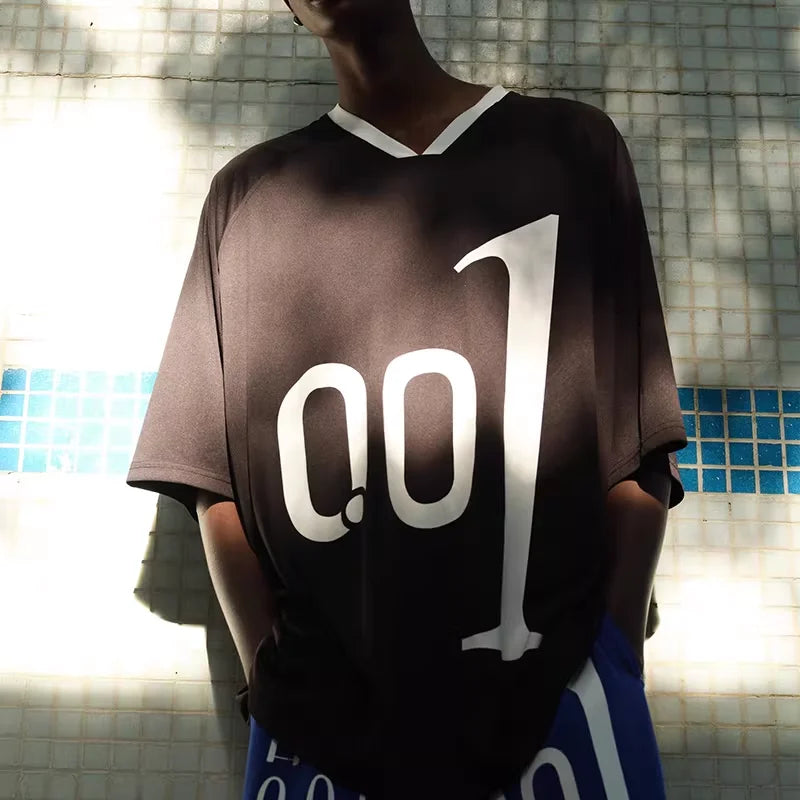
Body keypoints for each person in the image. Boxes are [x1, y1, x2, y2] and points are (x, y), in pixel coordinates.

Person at [126, 0, 688, 797]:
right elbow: (209, 478)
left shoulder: (570, 148)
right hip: (325, 742)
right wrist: (273, 682)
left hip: (555, 720)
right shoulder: (247, 199)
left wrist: (608, 658)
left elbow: (639, 437)